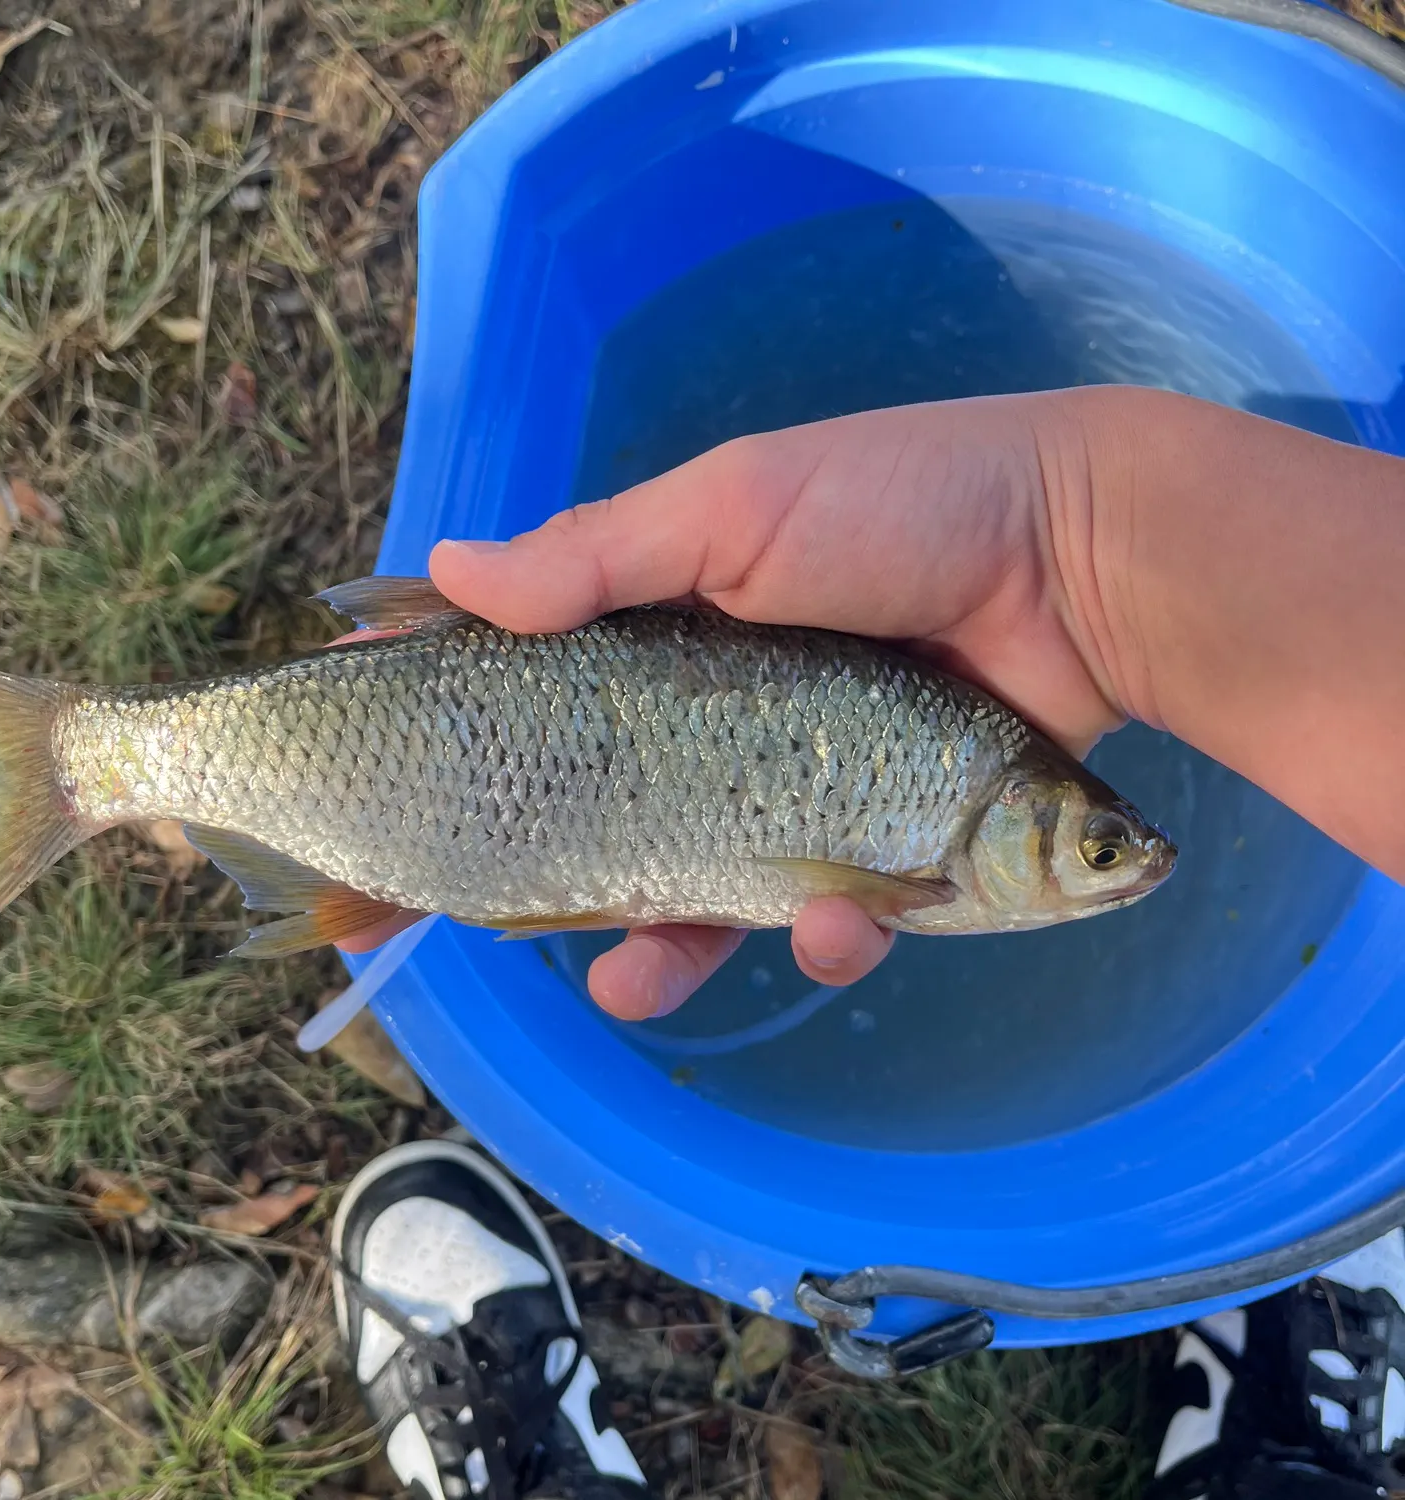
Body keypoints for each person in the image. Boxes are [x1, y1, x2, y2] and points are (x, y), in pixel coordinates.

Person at [327, 384, 1405, 1500]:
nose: (1130, 868)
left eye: (1100, 851)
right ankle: (1284, 1457)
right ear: (1018, 823)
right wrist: (1061, 534)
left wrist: (1069, 526)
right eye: (1098, 848)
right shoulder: (952, 804)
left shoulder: (971, 760)